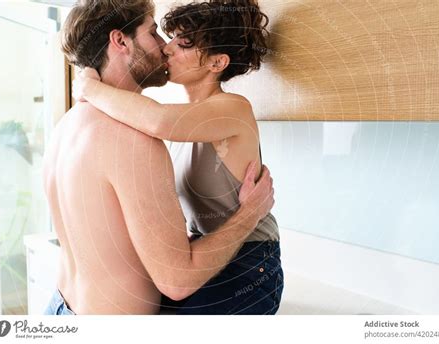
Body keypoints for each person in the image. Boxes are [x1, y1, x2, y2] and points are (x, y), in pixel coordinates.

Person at [42, 0, 274, 315]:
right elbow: (177, 278)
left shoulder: (66, 127)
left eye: (182, 44)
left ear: (217, 62)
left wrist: (90, 87)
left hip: (63, 308)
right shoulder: (132, 137)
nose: (165, 48)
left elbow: (160, 120)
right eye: (156, 33)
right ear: (120, 41)